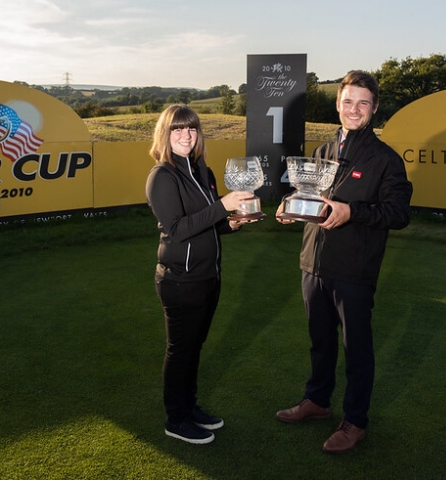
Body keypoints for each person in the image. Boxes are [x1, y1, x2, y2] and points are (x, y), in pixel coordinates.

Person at [275, 70, 413, 454]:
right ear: (338, 103)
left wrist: (352, 211)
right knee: (320, 343)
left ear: (374, 108)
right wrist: (293, 208)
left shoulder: (385, 159)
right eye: (348, 101)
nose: (354, 109)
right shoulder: (320, 152)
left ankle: (355, 421)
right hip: (313, 264)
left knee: (357, 349)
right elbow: (311, 200)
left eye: (363, 102)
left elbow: (399, 213)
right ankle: (317, 401)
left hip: (354, 269)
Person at [146, 104, 256, 444]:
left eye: (191, 129)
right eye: (177, 129)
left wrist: (233, 222)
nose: (185, 135)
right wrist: (222, 205)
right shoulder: (162, 175)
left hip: (208, 277)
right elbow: (177, 229)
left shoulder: (200, 170)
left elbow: (210, 223)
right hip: (180, 280)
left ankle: (189, 408)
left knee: (194, 347)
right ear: (165, 135)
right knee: (180, 350)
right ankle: (175, 419)